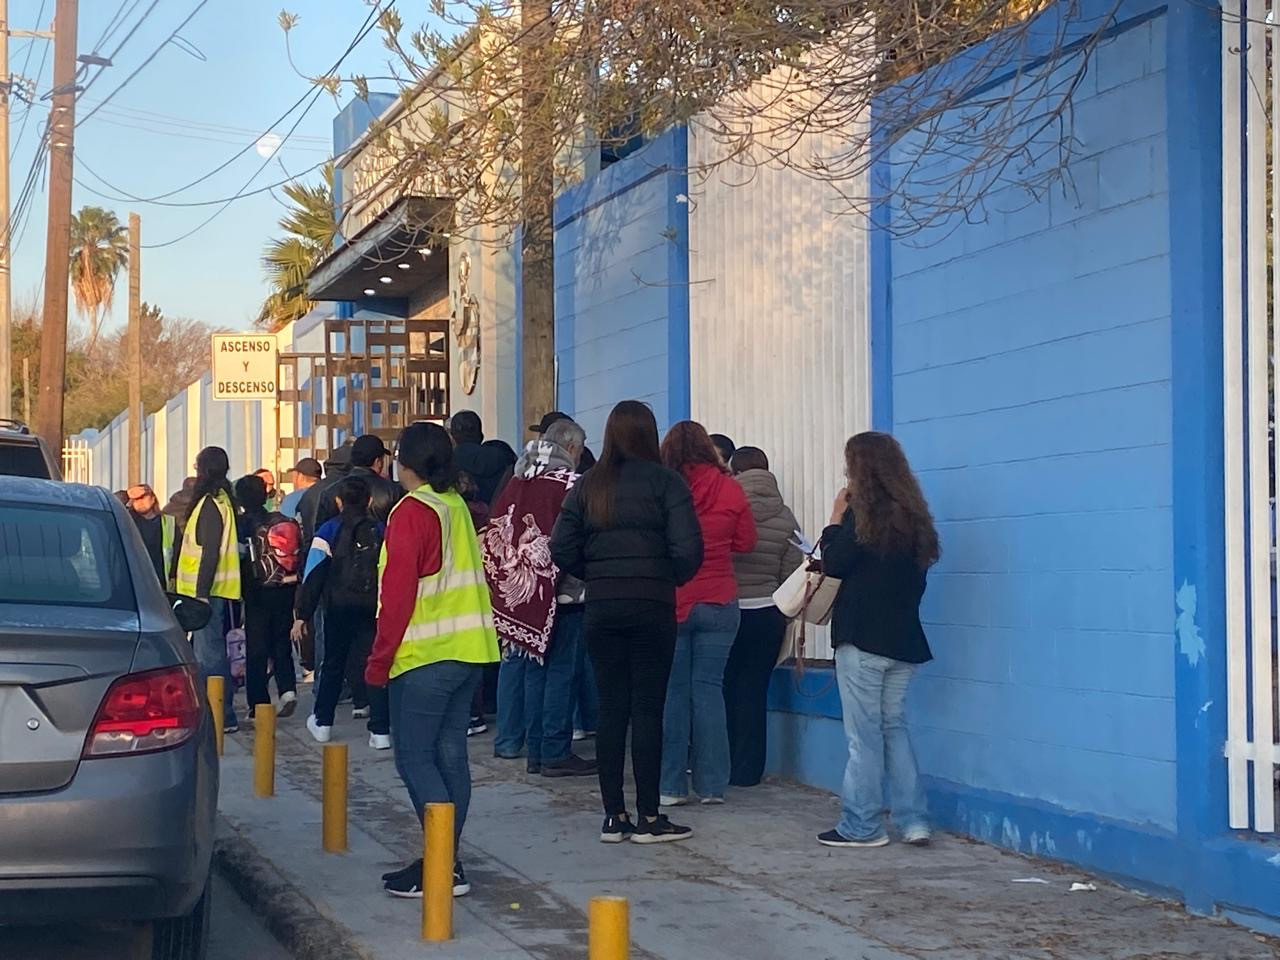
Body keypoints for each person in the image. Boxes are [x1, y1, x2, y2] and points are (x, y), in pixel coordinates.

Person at [550, 400, 703, 844]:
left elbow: (560, 547)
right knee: (648, 709)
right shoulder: (667, 483)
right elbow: (689, 549)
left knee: (611, 707)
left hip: (603, 606)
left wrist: (596, 573)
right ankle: (649, 816)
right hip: (653, 605)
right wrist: (664, 577)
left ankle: (613, 815)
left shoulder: (588, 485)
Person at [369, 422, 500, 898]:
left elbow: (398, 594)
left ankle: (442, 866)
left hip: (424, 655)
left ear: (404, 462)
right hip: (468, 650)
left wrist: (379, 661)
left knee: (414, 758)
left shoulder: (412, 511)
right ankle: (446, 861)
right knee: (450, 757)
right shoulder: (454, 506)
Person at [817, 431, 939, 849]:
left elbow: (834, 563)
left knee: (864, 737)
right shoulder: (916, 519)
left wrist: (834, 518)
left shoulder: (861, 517)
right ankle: (914, 819)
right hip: (904, 639)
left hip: (862, 637)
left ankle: (862, 825)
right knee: (894, 728)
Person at [485, 418, 596, 777]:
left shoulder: (518, 480)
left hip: (522, 595)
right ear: (573, 448)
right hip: (565, 594)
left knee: (534, 672)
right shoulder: (571, 483)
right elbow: (579, 537)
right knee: (563, 673)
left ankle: (535, 749)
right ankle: (554, 750)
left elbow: (496, 528)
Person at [658, 421, 756, 806]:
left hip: (674, 600)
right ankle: (712, 785)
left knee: (673, 693)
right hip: (719, 599)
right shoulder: (730, 487)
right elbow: (746, 542)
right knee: (709, 691)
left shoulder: (663, 488)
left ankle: (670, 785)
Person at [724, 447, 802, 787]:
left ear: (736, 472)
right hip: (767, 613)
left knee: (723, 687)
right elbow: (791, 573)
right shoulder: (786, 516)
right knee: (754, 690)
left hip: (729, 610)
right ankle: (749, 770)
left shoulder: (728, 508)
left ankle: (721, 763)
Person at [297, 476, 390, 749]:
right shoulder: (381, 530)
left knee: (333, 664)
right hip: (372, 608)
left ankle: (323, 722)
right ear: (369, 501)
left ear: (339, 502)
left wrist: (302, 615)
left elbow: (313, 576)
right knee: (373, 663)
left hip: (337, 607)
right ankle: (380, 730)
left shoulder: (327, 531)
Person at [174, 446, 241, 733]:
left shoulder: (210, 504)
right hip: (212, 590)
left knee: (209, 656)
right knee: (208, 653)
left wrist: (201, 593)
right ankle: (218, 713)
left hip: (206, 592)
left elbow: (209, 552)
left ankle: (221, 716)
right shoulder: (222, 500)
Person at [234, 474, 301, 720]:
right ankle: (287, 689)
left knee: (257, 648)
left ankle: (258, 703)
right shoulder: (281, 520)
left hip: (256, 591)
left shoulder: (242, 524)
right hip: (284, 587)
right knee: (281, 640)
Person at [449, 410, 518, 506]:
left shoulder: (447, 462)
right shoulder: (504, 452)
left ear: (452, 436)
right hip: (504, 511)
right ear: (481, 435)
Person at [125, 482, 178, 589]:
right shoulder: (128, 521)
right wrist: (126, 496)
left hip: (161, 581)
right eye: (136, 500)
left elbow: (177, 551)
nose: (140, 502)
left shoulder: (168, 522)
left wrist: (173, 575)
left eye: (143, 497)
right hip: (136, 580)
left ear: (153, 499)